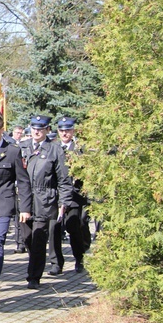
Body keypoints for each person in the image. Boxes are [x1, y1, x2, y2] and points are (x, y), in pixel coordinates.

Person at [0, 112, 32, 302]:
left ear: (2, 130)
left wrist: (25, 208)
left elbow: (23, 181)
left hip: (4, 202)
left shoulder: (12, 150)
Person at [19, 115, 73, 289]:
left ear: (47, 130)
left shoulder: (54, 150)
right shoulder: (22, 147)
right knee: (27, 238)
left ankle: (34, 276)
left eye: (41, 129)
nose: (37, 131)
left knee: (38, 239)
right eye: (34, 128)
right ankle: (34, 264)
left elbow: (64, 179)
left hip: (45, 200)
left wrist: (63, 202)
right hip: (25, 201)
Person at [52, 116, 90, 274]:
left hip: (74, 195)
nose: (64, 133)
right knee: (54, 228)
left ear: (73, 131)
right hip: (55, 194)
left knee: (73, 227)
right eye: (61, 130)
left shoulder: (80, 149)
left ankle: (79, 259)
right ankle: (57, 263)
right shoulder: (53, 147)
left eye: (67, 130)